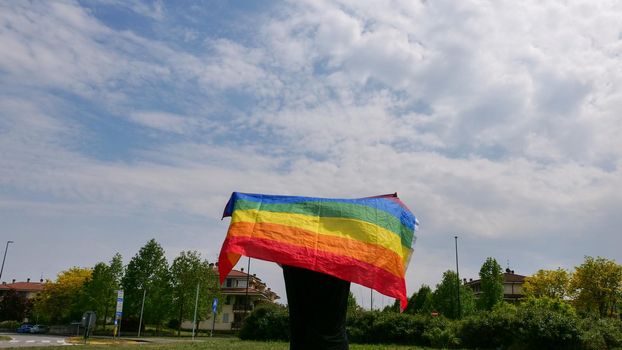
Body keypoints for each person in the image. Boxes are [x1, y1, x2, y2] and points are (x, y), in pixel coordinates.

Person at [282, 265, 351, 350]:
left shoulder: (292, 258)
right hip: (336, 344)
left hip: (302, 343)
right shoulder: (345, 260)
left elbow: (281, 257)